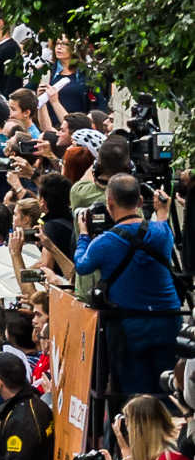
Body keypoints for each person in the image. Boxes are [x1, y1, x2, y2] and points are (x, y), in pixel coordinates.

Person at [70, 174, 182, 411]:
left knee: (136, 395)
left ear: (109, 203)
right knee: (169, 388)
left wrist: (83, 235)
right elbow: (162, 221)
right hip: (167, 321)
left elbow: (81, 265)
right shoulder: (161, 233)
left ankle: (137, 442)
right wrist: (164, 207)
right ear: (140, 201)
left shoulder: (103, 243)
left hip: (128, 326)